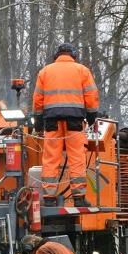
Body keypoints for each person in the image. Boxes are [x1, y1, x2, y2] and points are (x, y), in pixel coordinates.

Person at [32, 43, 99, 207]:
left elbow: (38, 99)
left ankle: (48, 198)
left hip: (52, 122)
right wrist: (92, 117)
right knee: (77, 157)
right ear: (73, 55)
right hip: (75, 122)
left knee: (51, 158)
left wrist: (39, 123)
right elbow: (91, 96)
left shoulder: (45, 71)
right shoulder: (82, 70)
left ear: (56, 55)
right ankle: (79, 198)